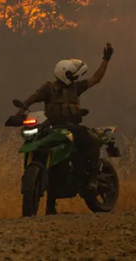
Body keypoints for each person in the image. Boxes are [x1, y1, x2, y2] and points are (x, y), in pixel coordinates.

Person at [17, 43, 114, 195]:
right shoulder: (48, 88)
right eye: (72, 75)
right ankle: (52, 192)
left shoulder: (75, 87)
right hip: (52, 127)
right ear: (64, 74)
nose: (74, 78)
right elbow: (33, 98)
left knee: (92, 140)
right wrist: (21, 110)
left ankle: (92, 178)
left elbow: (95, 79)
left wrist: (105, 60)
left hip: (72, 128)